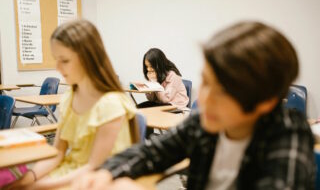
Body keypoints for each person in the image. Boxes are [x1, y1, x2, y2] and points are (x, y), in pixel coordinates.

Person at [72, 21, 315, 190]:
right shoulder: (205, 123)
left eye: (221, 91)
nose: (204, 99)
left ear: (266, 102)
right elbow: (151, 152)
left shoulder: (288, 135)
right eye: (205, 81)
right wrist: (106, 172)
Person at [8, 20, 138, 190]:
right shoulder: (69, 97)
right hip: (70, 174)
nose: (57, 67)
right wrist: (29, 178)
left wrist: (39, 185)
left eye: (65, 60)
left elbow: (94, 167)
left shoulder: (110, 104)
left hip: (97, 181)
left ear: (88, 59)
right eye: (56, 59)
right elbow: (58, 152)